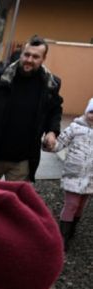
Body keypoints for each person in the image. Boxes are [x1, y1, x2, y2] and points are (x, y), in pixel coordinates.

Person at [0, 35, 63, 182]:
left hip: (23, 159)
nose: (29, 59)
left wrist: (52, 132)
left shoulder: (50, 84)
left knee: (14, 201)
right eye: (26, 54)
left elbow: (55, 110)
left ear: (44, 58)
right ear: (21, 54)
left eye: (35, 57)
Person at [51, 97, 93, 250]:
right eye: (91, 112)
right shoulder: (75, 127)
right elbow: (59, 144)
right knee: (71, 204)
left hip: (90, 177)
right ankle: (63, 236)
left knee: (81, 206)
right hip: (74, 173)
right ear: (86, 111)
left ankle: (72, 230)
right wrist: (49, 143)